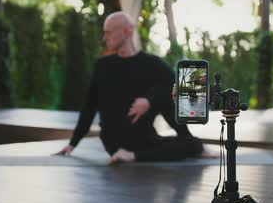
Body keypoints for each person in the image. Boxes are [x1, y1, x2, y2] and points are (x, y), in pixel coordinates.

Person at [55, 11, 207, 164]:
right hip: (116, 141)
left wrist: (149, 101)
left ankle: (181, 141)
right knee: (194, 145)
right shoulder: (102, 66)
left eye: (108, 32)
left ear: (127, 31)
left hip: (143, 139)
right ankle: (139, 155)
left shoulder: (152, 64)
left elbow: (178, 86)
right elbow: (89, 107)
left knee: (172, 91)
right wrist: (72, 144)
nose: (104, 37)